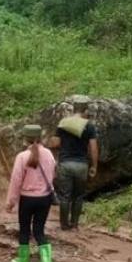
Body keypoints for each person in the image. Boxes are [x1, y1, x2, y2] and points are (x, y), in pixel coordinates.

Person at [6, 124, 56, 262]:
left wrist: (11, 201)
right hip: (45, 198)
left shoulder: (22, 157)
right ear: (41, 138)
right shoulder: (49, 154)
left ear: (25, 139)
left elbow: (16, 181)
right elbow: (53, 174)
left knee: (25, 230)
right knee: (39, 230)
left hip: (27, 199)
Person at [48, 95, 99, 230]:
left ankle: (64, 225)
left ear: (74, 109)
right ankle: (75, 224)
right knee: (78, 196)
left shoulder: (64, 123)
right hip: (81, 165)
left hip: (65, 163)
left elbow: (55, 143)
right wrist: (94, 166)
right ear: (85, 110)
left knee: (64, 196)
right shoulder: (89, 125)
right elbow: (93, 148)